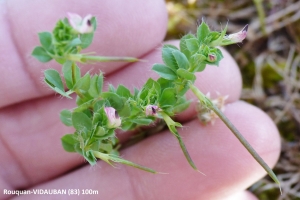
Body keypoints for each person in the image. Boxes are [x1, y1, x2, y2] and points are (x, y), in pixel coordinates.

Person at [0, 1, 280, 199]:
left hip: (124, 115)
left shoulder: (171, 86)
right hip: (108, 123)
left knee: (162, 93)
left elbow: (159, 98)